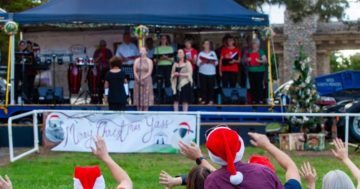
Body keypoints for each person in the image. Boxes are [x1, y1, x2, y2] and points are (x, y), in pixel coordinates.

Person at [246, 38, 267, 104]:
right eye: (252, 43)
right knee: (252, 85)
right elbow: (245, 60)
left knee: (259, 85)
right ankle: (254, 99)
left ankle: (260, 99)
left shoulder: (261, 51)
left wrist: (259, 61)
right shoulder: (249, 51)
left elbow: (265, 61)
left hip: (259, 71)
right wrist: (247, 60)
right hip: (251, 70)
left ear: (258, 44)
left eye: (254, 43)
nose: (253, 45)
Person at [196, 40, 218, 105]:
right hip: (202, 72)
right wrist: (202, 62)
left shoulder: (213, 53)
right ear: (203, 45)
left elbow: (216, 62)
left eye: (208, 44)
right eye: (205, 44)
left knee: (211, 87)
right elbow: (197, 63)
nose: (207, 45)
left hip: (211, 73)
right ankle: (203, 100)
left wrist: (211, 61)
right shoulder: (201, 53)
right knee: (203, 87)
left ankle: (211, 100)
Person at [133, 47, 154, 111]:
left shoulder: (149, 61)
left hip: (146, 79)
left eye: (143, 50)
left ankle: (146, 111)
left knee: (146, 97)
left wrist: (142, 78)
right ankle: (138, 111)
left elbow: (149, 72)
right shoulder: (136, 60)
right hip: (137, 80)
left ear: (146, 52)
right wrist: (137, 78)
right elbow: (134, 71)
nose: (141, 51)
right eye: (140, 50)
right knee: (138, 96)